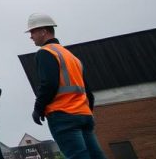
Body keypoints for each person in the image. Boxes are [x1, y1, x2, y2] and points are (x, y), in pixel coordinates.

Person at [26, 13, 107, 159]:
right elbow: (88, 93)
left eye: (32, 31)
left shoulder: (45, 53)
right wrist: (86, 112)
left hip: (63, 115)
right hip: (84, 115)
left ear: (43, 31)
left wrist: (38, 109)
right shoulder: (72, 57)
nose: (31, 36)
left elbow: (49, 84)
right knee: (96, 156)